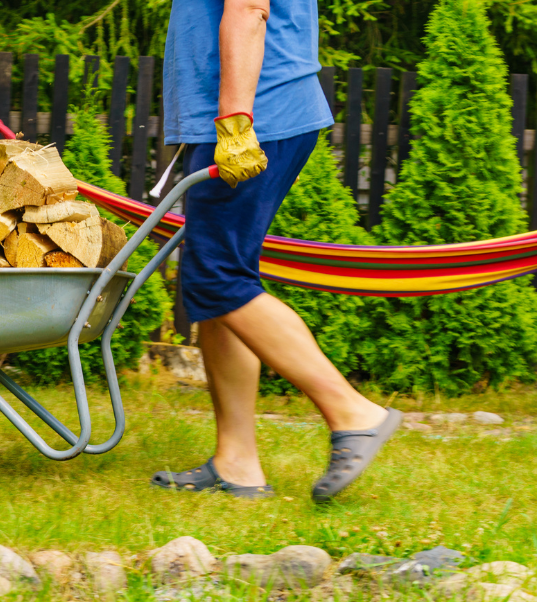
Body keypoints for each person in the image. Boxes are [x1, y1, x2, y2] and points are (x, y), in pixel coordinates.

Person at [150, 0, 400, 502]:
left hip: (254, 115)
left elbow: (248, 9)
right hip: (252, 112)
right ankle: (236, 462)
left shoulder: (241, 121)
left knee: (215, 277)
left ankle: (352, 412)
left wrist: (235, 122)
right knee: (220, 283)